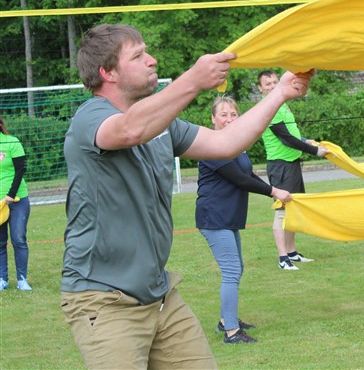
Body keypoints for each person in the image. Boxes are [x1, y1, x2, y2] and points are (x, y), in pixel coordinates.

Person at [61, 24, 313, 369]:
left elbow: (226, 143)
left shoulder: (162, 124)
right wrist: (194, 79)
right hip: (103, 300)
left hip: (159, 295)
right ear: (108, 73)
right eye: (138, 56)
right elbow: (130, 130)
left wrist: (280, 92)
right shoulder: (90, 117)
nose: (152, 60)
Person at [196, 95, 294, 344]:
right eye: (223, 114)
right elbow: (239, 179)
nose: (229, 119)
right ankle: (231, 332)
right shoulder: (211, 145)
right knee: (231, 271)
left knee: (236, 268)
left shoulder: (237, 145)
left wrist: (274, 190)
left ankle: (225, 320)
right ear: (213, 118)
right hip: (214, 217)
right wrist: (274, 191)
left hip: (229, 216)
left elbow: (248, 174)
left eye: (233, 114)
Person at [256, 70, 327, 270]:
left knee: (292, 209)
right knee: (281, 210)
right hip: (280, 165)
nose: (272, 86)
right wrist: (315, 151)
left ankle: (291, 252)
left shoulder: (282, 104)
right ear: (260, 89)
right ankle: (282, 258)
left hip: (291, 163)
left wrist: (305, 140)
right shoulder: (269, 107)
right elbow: (286, 139)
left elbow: (291, 134)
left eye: (274, 82)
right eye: (267, 84)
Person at [0, 115, 30, 291]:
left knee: (18, 239)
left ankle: (22, 279)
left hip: (17, 199)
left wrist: (10, 195)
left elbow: (20, 170)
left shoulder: (12, 142)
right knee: (0, 242)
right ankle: (2, 279)